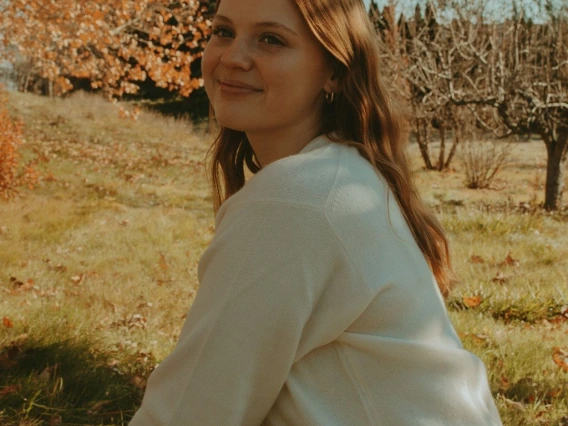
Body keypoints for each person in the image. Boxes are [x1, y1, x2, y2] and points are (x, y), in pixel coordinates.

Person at [130, 0, 503, 424]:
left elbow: (189, 413)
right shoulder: (341, 175)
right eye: (223, 31)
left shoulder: (296, 201)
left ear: (335, 72)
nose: (232, 57)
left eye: (271, 39)